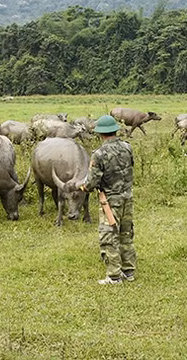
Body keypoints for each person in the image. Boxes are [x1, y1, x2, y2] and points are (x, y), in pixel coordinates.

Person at [80, 114, 137, 284]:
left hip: (110, 201)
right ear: (115, 131)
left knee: (109, 236)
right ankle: (128, 271)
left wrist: (81, 186)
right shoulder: (127, 147)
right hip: (128, 198)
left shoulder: (99, 154)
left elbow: (91, 183)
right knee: (126, 234)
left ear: (100, 134)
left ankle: (113, 276)